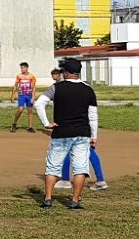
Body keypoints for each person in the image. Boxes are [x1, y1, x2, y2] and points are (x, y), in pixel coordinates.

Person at [34, 58, 98, 210]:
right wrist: (94, 136)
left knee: (52, 168)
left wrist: (46, 123)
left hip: (61, 132)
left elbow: (39, 104)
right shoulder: (88, 89)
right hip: (82, 133)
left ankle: (48, 199)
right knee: (81, 168)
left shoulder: (57, 87)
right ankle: (75, 201)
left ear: (66, 73)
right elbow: (93, 116)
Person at [10, 62, 37, 133]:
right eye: (21, 68)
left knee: (30, 111)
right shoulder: (19, 76)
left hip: (29, 95)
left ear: (26, 68)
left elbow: (34, 87)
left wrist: (33, 97)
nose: (21, 69)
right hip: (21, 95)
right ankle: (14, 124)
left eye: (22, 68)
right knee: (20, 109)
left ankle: (30, 127)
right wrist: (13, 95)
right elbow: (15, 85)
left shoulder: (32, 76)